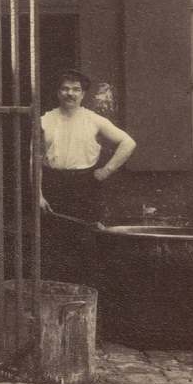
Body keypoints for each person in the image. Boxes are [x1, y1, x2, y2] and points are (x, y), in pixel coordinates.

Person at [39, 70, 135, 284]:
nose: (70, 94)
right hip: (52, 184)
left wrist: (106, 170)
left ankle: (85, 294)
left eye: (76, 90)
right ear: (57, 92)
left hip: (84, 187)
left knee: (85, 242)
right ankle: (55, 294)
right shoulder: (45, 121)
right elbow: (34, 159)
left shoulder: (94, 120)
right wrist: (38, 194)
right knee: (52, 243)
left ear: (83, 94)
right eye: (65, 89)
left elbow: (128, 143)